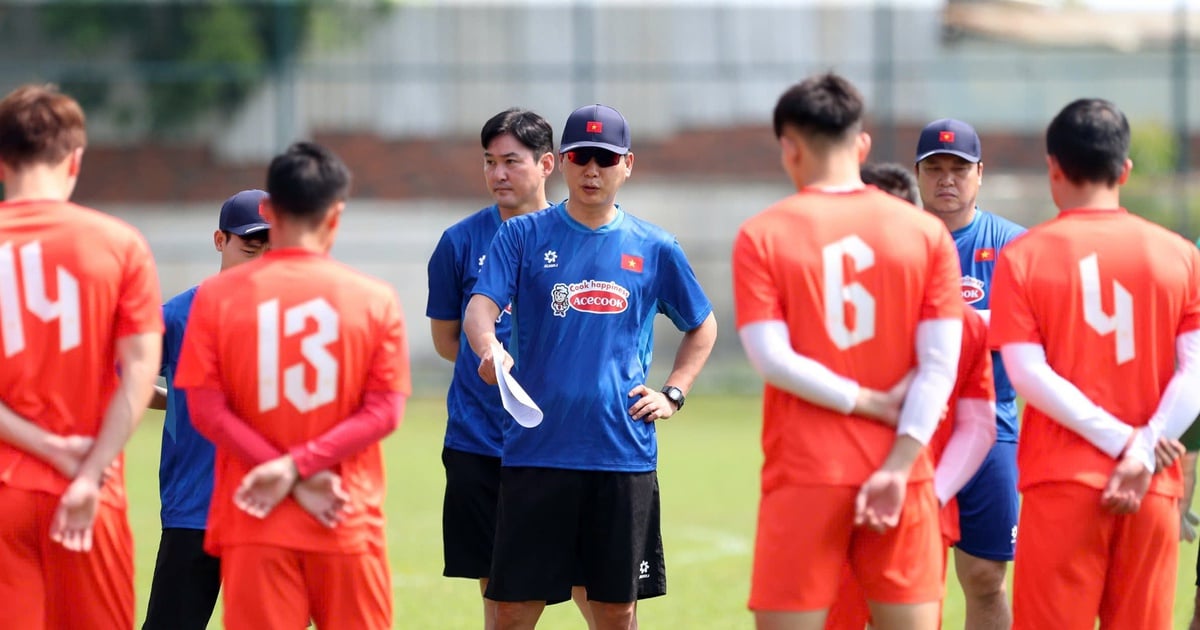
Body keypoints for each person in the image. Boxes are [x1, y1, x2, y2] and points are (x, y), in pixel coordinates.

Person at [462, 103, 718, 630]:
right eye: (581, 158)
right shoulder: (524, 236)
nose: (592, 171)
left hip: (621, 454)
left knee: (615, 610)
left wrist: (673, 392)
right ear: (563, 162)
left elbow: (702, 324)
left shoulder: (655, 247)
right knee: (511, 607)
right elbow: (479, 308)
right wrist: (489, 347)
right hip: (538, 451)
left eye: (605, 159)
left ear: (628, 165)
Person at [733, 73, 963, 630]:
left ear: (789, 148)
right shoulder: (926, 234)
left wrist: (863, 400)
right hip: (901, 474)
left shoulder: (762, 234)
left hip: (806, 472)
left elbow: (770, 358)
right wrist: (900, 461)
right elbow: (940, 365)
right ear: (861, 146)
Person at [175, 142, 411, 629]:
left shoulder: (216, 299)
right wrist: (301, 468)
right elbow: (385, 412)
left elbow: (204, 410)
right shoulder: (374, 299)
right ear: (336, 215)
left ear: (271, 212)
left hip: (254, 515)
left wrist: (281, 472)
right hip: (343, 513)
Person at [989, 97, 1200, 628]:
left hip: (1062, 483)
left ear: (1053, 167)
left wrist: (1122, 443)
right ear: (1125, 170)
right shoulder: (1180, 254)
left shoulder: (1025, 256)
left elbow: (1026, 374)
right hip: (1151, 482)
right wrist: (1144, 446)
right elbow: (1195, 372)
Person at [0, 84, 163, 628]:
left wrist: (47, 447)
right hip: (90, 489)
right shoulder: (120, 243)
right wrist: (88, 471)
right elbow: (140, 371)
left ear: (2, 161)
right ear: (75, 160)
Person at [427, 108, 595, 629]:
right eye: (489, 162)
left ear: (547, 164)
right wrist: (497, 370)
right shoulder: (458, 243)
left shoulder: (582, 236)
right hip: (481, 442)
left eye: (511, 162)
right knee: (499, 589)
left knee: (594, 580)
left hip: (570, 442)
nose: (498, 174)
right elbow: (447, 340)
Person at [822, 163, 998, 630]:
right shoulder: (819, 310)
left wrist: (928, 495)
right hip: (834, 511)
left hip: (911, 509)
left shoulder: (966, 324)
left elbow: (978, 425)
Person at [913, 118, 1024, 630]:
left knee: (984, 575)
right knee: (905, 575)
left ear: (980, 173)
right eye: (933, 169)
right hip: (911, 429)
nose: (946, 180)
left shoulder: (1015, 248)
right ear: (917, 176)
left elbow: (1033, 335)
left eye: (958, 169)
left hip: (991, 426)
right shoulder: (899, 243)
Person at [142, 190, 269, 630]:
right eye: (249, 248)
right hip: (195, 511)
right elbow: (121, 378)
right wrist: (175, 403)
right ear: (220, 240)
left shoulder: (294, 320)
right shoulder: (177, 316)